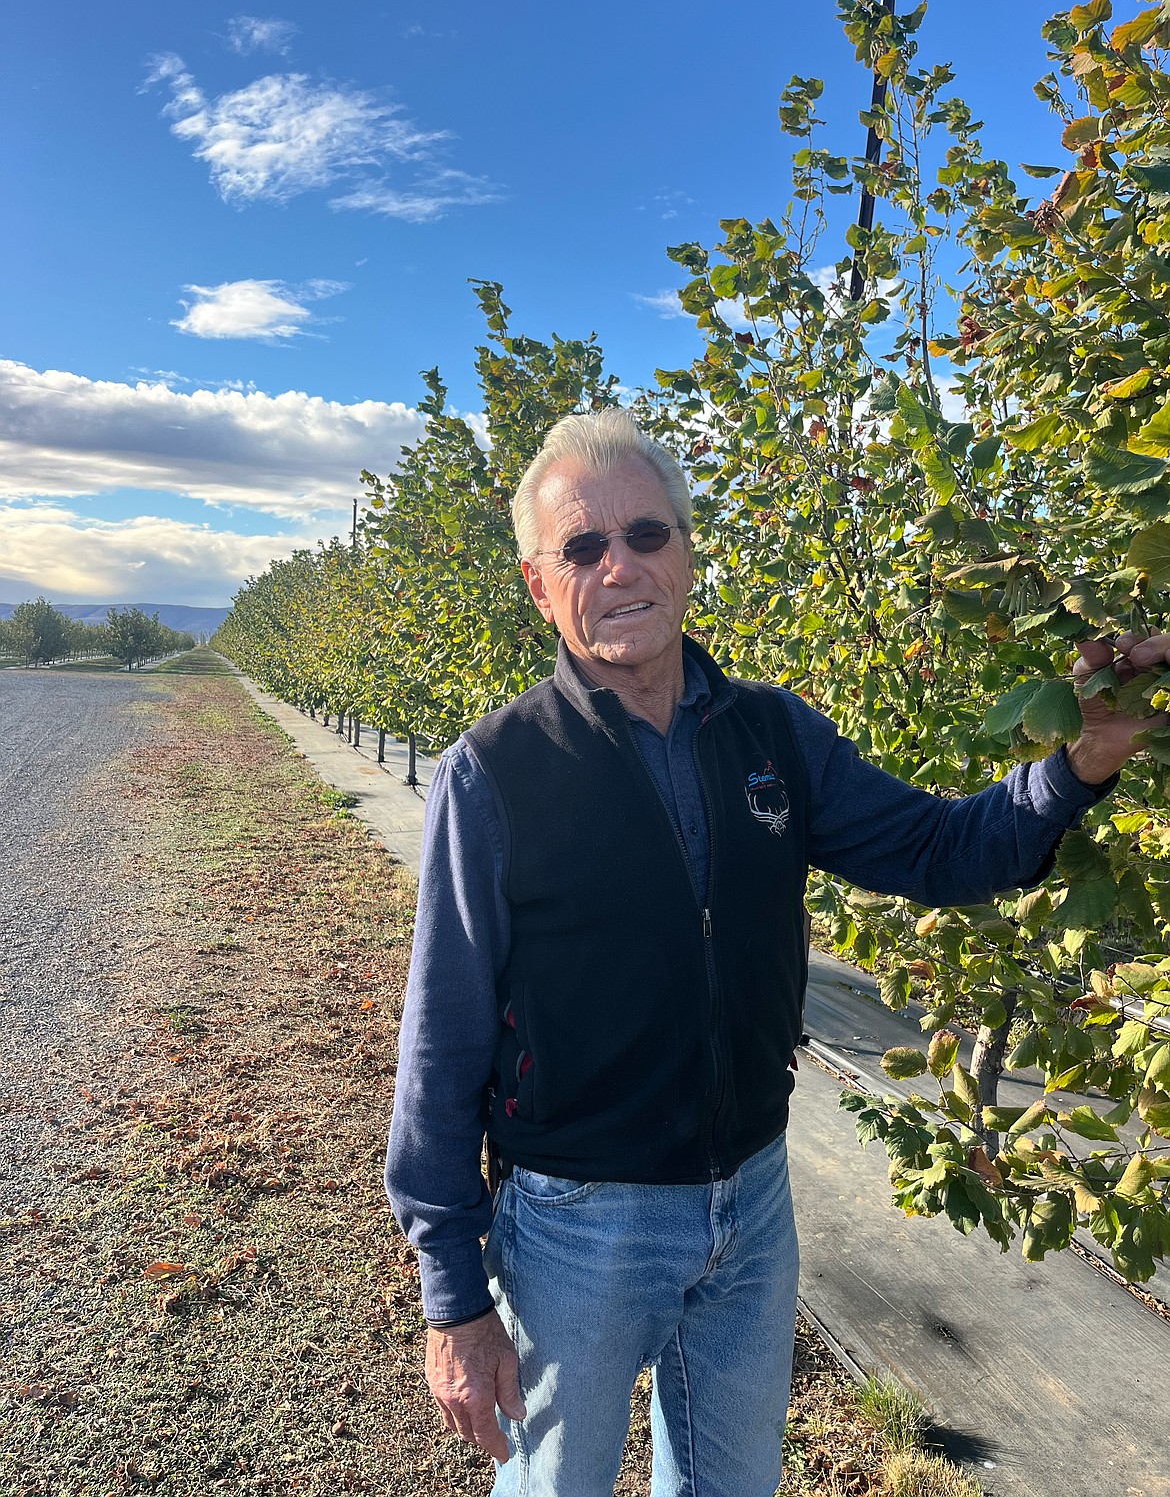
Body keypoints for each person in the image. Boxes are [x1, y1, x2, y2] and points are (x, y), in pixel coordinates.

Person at [385, 408, 1165, 1496]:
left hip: (749, 1203)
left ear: (688, 553)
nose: (620, 568)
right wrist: (454, 1296)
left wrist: (1081, 763)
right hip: (576, 1225)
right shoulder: (495, 772)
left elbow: (938, 849)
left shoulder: (774, 738)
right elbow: (442, 1037)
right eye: (582, 547)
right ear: (538, 583)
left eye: (647, 535)